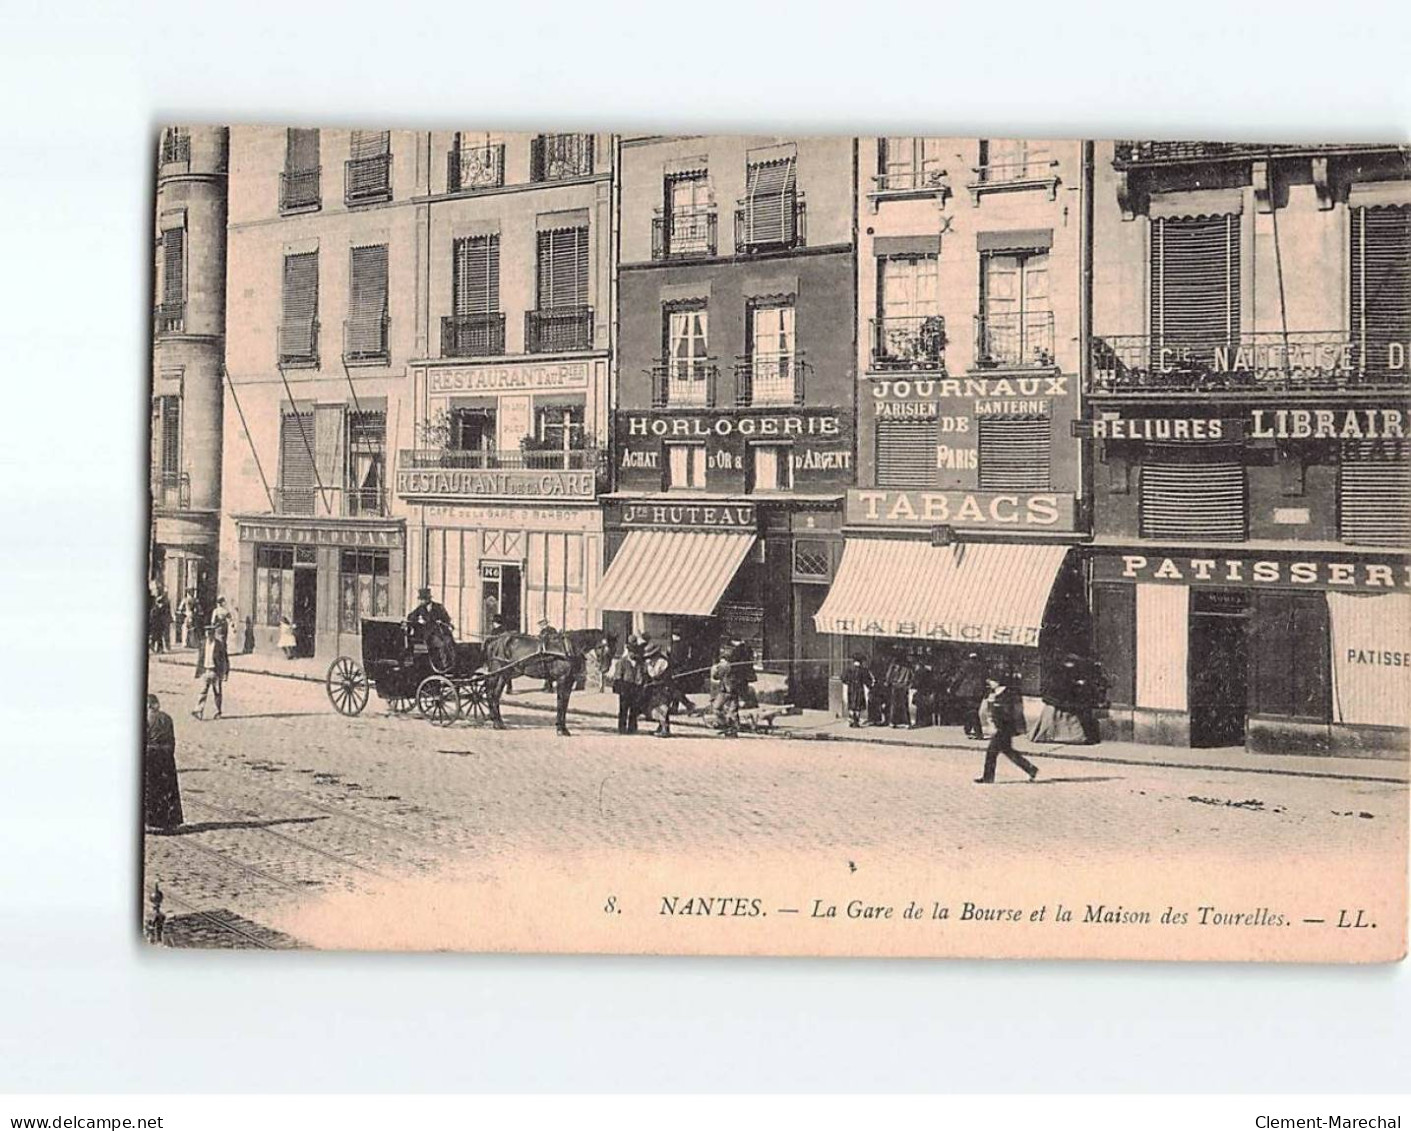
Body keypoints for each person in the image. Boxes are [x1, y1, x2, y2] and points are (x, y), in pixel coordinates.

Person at [976, 673, 1039, 784]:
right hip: (1001, 727)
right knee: (1008, 751)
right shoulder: (995, 693)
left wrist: (998, 726)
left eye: (991, 681)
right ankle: (1031, 769)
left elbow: (1008, 713)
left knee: (991, 752)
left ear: (997, 681)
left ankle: (988, 778)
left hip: (1003, 728)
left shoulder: (1007, 694)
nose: (989, 683)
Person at [144, 694, 183, 832]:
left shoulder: (145, 718)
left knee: (150, 788)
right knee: (168, 788)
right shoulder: (167, 718)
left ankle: (150, 821)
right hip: (166, 755)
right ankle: (169, 820)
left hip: (150, 754)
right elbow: (172, 740)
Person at [193, 623, 230, 720]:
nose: (208, 635)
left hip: (215, 672)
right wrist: (198, 671)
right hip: (205, 671)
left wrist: (225, 673)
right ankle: (199, 711)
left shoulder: (219, 645)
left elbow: (225, 660)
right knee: (202, 692)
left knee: (217, 693)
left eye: (210, 633)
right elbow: (200, 658)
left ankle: (217, 711)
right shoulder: (202, 644)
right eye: (207, 633)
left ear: (213, 634)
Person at [609, 636, 644, 734]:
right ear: (628, 652)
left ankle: (632, 728)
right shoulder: (622, 662)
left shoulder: (639, 662)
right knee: (623, 709)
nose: (634, 654)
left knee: (634, 710)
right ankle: (622, 728)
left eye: (635, 652)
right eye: (632, 651)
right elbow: (618, 676)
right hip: (625, 687)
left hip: (636, 688)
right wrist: (621, 689)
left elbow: (642, 674)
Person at [641, 635, 674, 737]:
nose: (649, 658)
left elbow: (654, 674)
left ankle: (665, 729)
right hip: (656, 688)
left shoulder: (662, 662)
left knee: (663, 708)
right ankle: (661, 727)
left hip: (664, 688)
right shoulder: (653, 662)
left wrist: (649, 666)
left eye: (651, 655)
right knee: (657, 708)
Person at [950, 651, 988, 739]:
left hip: (968, 692)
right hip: (979, 692)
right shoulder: (982, 666)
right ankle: (968, 729)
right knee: (973, 710)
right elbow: (985, 679)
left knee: (971, 712)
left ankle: (978, 733)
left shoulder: (965, 665)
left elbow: (958, 677)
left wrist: (952, 687)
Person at [710, 644, 741, 737]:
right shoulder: (734, 664)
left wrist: (715, 668)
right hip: (734, 689)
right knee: (732, 710)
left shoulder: (723, 665)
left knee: (716, 708)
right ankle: (733, 730)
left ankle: (725, 724)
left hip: (725, 690)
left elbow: (716, 676)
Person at [840, 654, 874, 728]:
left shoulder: (848, 669)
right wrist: (870, 685)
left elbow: (843, 678)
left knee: (851, 704)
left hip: (851, 689)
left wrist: (849, 682)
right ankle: (856, 721)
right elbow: (868, 681)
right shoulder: (863, 670)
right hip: (859, 689)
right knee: (858, 705)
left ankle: (852, 720)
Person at [885, 651, 914, 728]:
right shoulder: (908, 666)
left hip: (895, 685)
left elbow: (888, 675)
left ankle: (893, 722)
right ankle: (906, 722)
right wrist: (909, 685)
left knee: (894, 705)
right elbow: (912, 677)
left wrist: (888, 682)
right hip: (904, 686)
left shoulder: (894, 665)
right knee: (904, 705)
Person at [911, 658, 937, 729]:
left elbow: (915, 682)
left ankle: (919, 722)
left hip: (921, 690)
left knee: (920, 708)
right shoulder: (929, 672)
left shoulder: (918, 672)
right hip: (927, 691)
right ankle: (928, 721)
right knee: (927, 707)